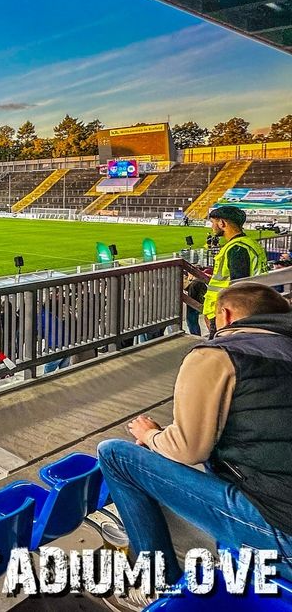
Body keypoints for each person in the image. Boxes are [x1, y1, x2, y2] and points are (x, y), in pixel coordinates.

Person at [97, 283, 292, 610]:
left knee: (114, 454)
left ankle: (154, 584)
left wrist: (150, 436)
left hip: (278, 529)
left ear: (226, 315)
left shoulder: (218, 354)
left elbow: (188, 449)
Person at [202, 205, 268, 336]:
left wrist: (227, 319)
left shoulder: (237, 249)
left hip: (227, 314)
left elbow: (238, 287)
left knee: (220, 351)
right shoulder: (249, 244)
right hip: (231, 311)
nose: (212, 227)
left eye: (213, 222)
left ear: (222, 223)